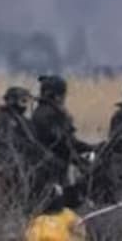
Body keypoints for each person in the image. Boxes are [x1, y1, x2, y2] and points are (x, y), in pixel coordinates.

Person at [30, 75, 97, 207]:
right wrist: (81, 157)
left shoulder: (47, 112)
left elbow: (68, 141)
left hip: (56, 166)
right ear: (56, 95)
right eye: (62, 95)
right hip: (50, 169)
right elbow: (61, 143)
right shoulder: (47, 114)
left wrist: (90, 148)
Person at [0, 86, 42, 211]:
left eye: (27, 102)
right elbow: (6, 141)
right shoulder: (2, 118)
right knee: (12, 197)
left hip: (26, 166)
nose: (25, 106)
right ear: (12, 101)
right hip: (10, 165)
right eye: (23, 101)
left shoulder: (21, 120)